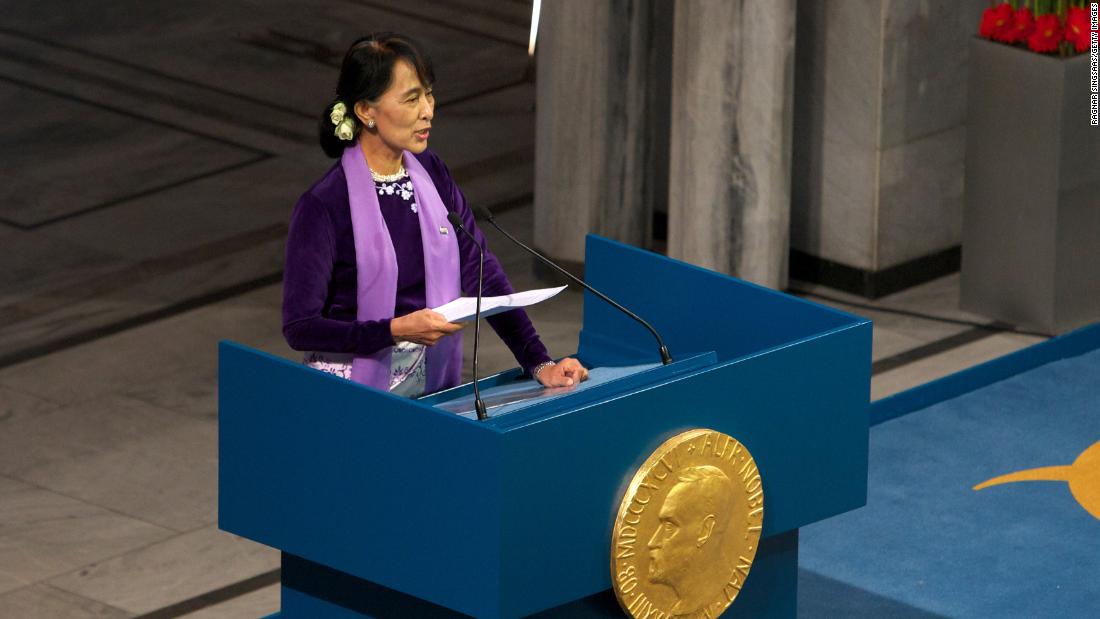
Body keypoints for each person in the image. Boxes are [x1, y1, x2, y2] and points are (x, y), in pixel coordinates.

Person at [282, 32, 587, 398]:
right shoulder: (324, 205)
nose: (428, 109)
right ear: (366, 111)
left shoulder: (431, 171)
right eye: (412, 98)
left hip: (432, 383)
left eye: (428, 93)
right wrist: (393, 330)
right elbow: (300, 327)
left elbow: (481, 273)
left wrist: (540, 363)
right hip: (351, 393)